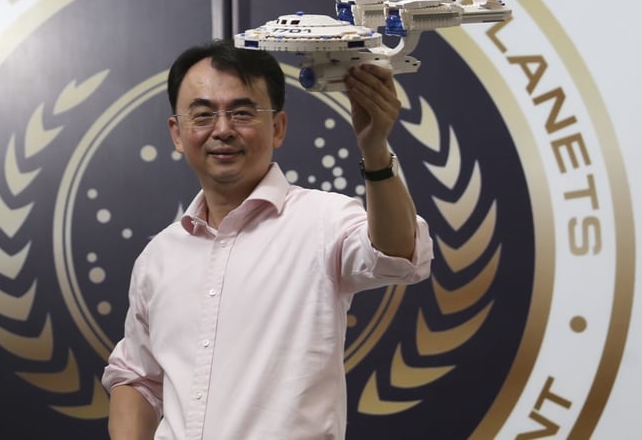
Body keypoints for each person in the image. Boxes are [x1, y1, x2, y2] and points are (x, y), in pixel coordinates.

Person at [102, 40, 433, 439]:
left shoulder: (323, 220)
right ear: (177, 133)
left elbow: (397, 254)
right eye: (203, 115)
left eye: (242, 113)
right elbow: (137, 378)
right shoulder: (159, 256)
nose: (222, 130)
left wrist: (375, 150)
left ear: (277, 128)